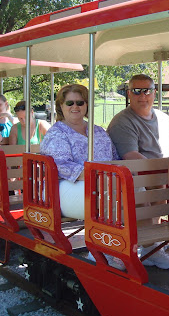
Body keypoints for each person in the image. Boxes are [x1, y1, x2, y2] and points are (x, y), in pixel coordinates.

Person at [107, 74, 169, 269]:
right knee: (154, 185)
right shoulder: (123, 122)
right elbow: (130, 156)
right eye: (137, 91)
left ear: (154, 93)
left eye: (147, 90)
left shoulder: (163, 118)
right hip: (138, 178)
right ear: (129, 93)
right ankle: (149, 245)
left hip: (165, 175)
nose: (142, 95)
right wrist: (165, 173)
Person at [40, 84, 119, 220]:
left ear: (86, 105)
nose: (75, 107)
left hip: (105, 183)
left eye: (80, 103)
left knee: (137, 190)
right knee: (110, 196)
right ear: (61, 106)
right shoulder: (56, 133)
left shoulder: (98, 131)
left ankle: (144, 239)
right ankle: (111, 238)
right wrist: (100, 177)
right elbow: (62, 166)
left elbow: (115, 158)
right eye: (70, 103)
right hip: (64, 188)